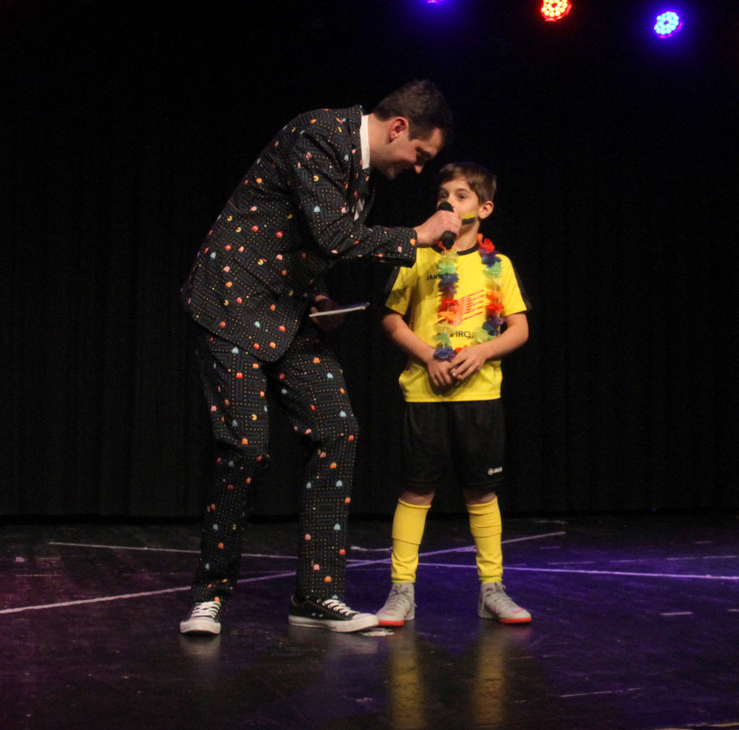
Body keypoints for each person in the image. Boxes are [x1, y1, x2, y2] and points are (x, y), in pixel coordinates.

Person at [179, 81, 462, 635]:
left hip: (289, 310)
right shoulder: (319, 134)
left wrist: (319, 296)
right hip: (231, 302)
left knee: (337, 430)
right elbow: (333, 235)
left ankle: (317, 594)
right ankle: (208, 596)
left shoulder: (363, 171)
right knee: (246, 448)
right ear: (399, 127)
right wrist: (419, 236)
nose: (418, 168)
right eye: (421, 154)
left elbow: (304, 240)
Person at [375, 162, 532, 626]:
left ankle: (492, 589)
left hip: (479, 397)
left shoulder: (498, 265)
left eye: (461, 195)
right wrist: (427, 354)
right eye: (443, 194)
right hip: (425, 395)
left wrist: (482, 351)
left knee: (481, 493)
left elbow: (519, 328)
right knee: (416, 490)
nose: (448, 201)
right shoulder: (417, 256)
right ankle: (401, 591)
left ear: (484, 209)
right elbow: (390, 318)